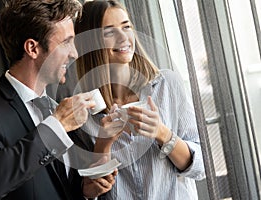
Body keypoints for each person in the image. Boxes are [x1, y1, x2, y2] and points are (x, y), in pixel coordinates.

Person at [0, 0, 116, 199]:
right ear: (32, 48)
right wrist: (57, 126)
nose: (74, 53)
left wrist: (85, 191)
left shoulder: (55, 108)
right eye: (66, 43)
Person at [73, 0, 205, 199]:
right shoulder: (82, 113)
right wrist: (102, 146)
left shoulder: (167, 85)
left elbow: (200, 167)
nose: (123, 37)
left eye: (126, 27)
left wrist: (162, 133)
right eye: (109, 32)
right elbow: (88, 191)